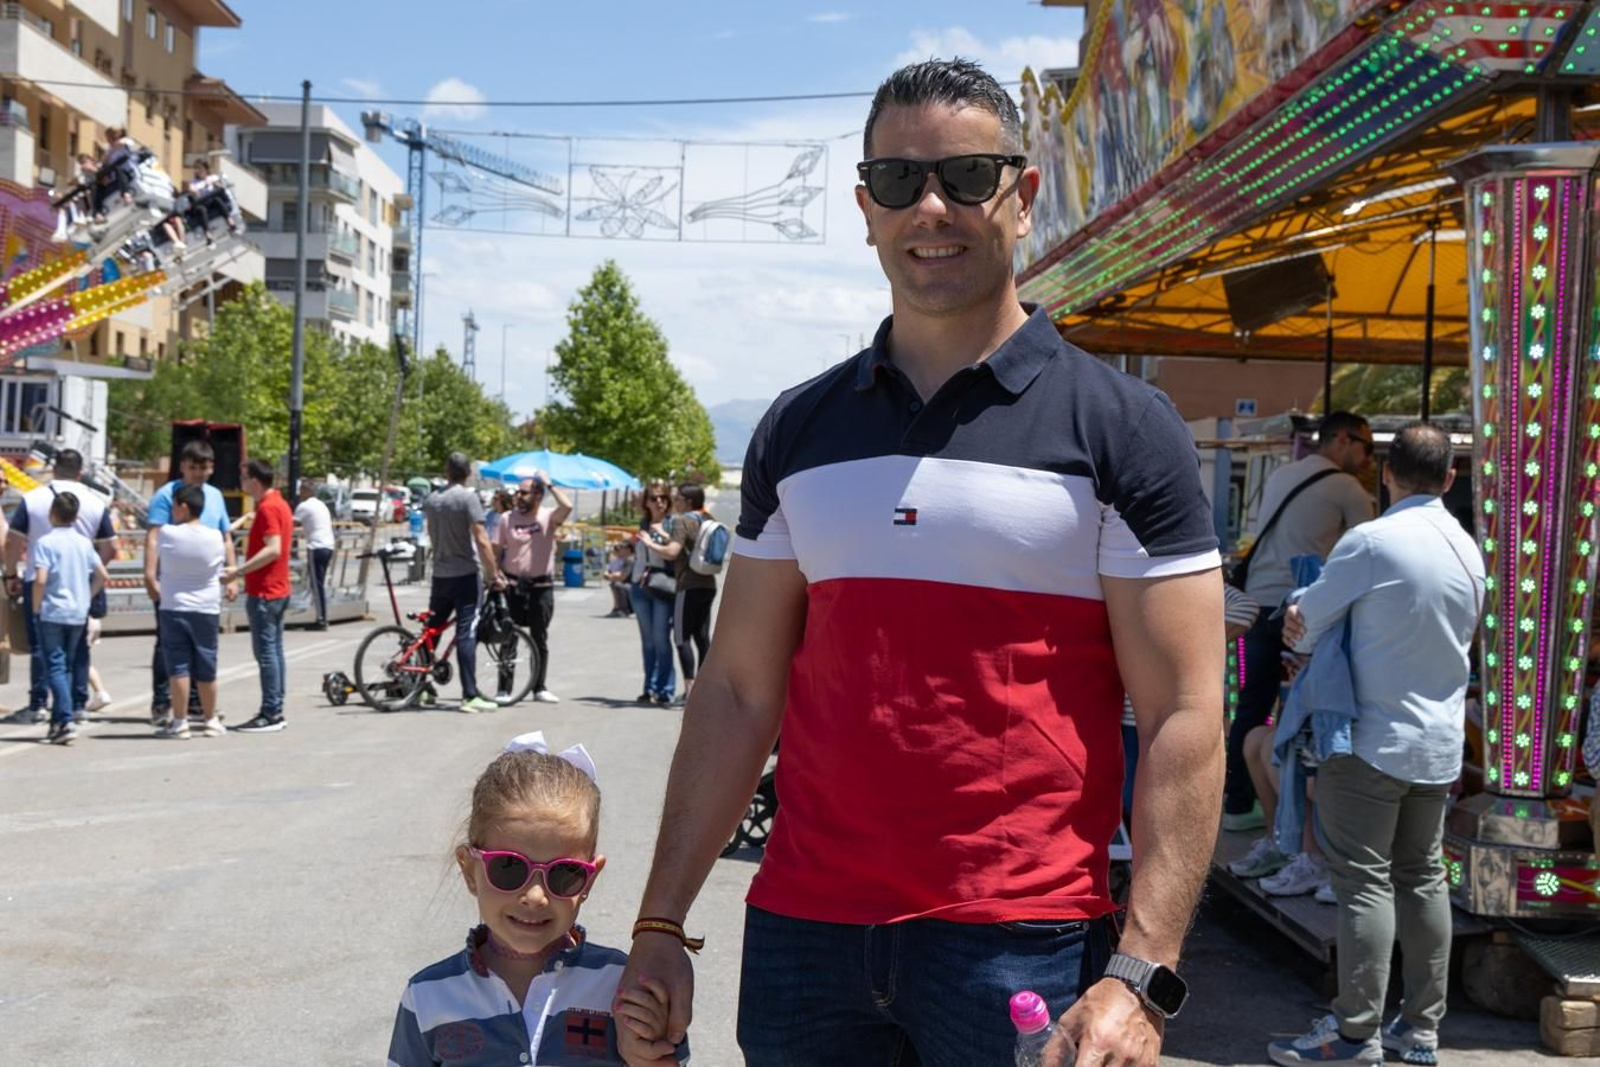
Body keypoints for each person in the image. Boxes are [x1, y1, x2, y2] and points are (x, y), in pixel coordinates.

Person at [617, 59, 1224, 1067]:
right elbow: (733, 688)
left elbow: (1184, 713)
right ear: (864, 208)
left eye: (965, 177)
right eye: (898, 182)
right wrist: (659, 923)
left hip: (1016, 939)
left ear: (1024, 196)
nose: (930, 207)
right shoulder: (798, 428)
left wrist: (1142, 970)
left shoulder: (1123, 428)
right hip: (802, 931)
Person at [1267, 423, 1483, 1067]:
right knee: (1422, 878)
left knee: (1364, 883)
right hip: (1438, 745)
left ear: (1386, 473)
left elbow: (1306, 629)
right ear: (1450, 478)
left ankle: (1355, 1033)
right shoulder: (1470, 550)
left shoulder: (1371, 540)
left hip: (1367, 739)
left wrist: (1304, 613)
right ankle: (1421, 1032)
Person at [386, 732, 683, 1065]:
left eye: (564, 874)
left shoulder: (621, 985)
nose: (535, 896)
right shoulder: (429, 996)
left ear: (590, 879)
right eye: (509, 867)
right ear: (469, 869)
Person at [1226, 411, 1375, 832]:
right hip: (1303, 611)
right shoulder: (1347, 488)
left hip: (1257, 602)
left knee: (1252, 708)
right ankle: (1303, 830)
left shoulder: (1282, 476)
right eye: (1366, 447)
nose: (1368, 459)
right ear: (1343, 440)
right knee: (1304, 716)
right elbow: (1370, 557)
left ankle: (1239, 804)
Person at [2, 448, 115, 725]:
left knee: (41, 645)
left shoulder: (32, 499)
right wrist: (90, 573)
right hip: (80, 582)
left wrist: (11, 574)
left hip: (39, 581)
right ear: (80, 472)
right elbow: (110, 548)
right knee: (79, 648)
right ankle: (78, 704)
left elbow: (13, 542)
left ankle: (39, 703)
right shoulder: (96, 502)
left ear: (54, 470)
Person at [144, 440, 237, 728]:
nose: (198, 473)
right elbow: (154, 537)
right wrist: (150, 574)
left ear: (211, 468)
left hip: (205, 584)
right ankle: (162, 701)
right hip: (172, 582)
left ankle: (197, 702)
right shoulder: (167, 495)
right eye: (193, 467)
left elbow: (225, 536)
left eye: (204, 468)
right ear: (183, 466)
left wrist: (233, 576)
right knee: (167, 645)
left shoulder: (215, 496)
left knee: (202, 647)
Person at [422, 452, 505, 713]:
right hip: (465, 574)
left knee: (431, 630)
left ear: (446, 472)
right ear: (468, 473)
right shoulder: (468, 498)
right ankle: (469, 694)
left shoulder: (432, 499)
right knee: (465, 633)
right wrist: (493, 573)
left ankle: (420, 686)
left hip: (440, 574)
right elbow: (481, 538)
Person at [31, 492, 108, 746]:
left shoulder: (45, 542)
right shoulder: (84, 542)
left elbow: (41, 579)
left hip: (53, 610)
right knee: (67, 665)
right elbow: (102, 574)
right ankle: (59, 720)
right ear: (76, 516)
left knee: (54, 664)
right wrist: (88, 595)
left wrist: (35, 605)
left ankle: (64, 719)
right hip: (78, 611)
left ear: (52, 513)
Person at [151, 485, 226, 740]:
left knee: (179, 666)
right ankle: (211, 719)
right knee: (207, 664)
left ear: (184, 507)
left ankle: (180, 721)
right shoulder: (215, 536)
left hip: (174, 605)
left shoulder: (168, 533)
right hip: (206, 606)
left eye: (174, 507)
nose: (171, 512)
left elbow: (157, 555)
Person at [224, 459, 292, 733]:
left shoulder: (268, 507)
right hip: (275, 588)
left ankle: (271, 712)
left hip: (265, 590)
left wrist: (238, 571)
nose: (241, 484)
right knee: (274, 651)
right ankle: (274, 708)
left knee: (266, 653)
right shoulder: (277, 504)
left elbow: (273, 548)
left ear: (254, 480)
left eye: (243, 479)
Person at [493, 473, 573, 704]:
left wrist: (549, 483)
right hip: (513, 586)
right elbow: (497, 550)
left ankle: (539, 687)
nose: (519, 496)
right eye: (518, 492)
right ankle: (504, 689)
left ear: (538, 495)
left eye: (525, 492)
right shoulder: (507, 518)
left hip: (541, 587)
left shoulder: (548, 517)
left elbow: (566, 505)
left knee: (539, 639)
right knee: (508, 637)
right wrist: (495, 575)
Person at [655, 484, 716, 703]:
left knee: (681, 637)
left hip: (687, 584)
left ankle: (691, 691)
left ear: (688, 501)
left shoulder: (682, 520)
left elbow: (672, 552)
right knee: (702, 637)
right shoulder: (708, 518)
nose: (675, 501)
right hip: (708, 583)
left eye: (678, 498)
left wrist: (649, 543)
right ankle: (706, 689)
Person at [628, 484, 676, 707]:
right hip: (640, 584)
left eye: (663, 498)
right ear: (647, 502)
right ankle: (649, 689)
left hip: (662, 585)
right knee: (647, 641)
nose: (659, 502)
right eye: (654, 498)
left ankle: (665, 689)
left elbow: (676, 554)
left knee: (661, 639)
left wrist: (654, 540)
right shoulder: (643, 524)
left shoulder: (672, 524)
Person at [294, 479, 335, 630]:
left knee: (316, 585)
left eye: (300, 491)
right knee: (319, 584)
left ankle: (321, 619)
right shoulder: (321, 504)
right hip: (328, 545)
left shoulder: (304, 506)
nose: (299, 494)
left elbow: (291, 523)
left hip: (316, 547)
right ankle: (321, 616)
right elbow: (311, 526)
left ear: (305, 491)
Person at [604, 542, 635, 618]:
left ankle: (622, 610)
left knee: (617, 585)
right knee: (615, 584)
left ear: (628, 550)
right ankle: (617, 608)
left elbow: (623, 576)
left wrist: (609, 576)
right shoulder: (627, 560)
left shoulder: (630, 560)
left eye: (622, 549)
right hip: (632, 585)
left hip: (633, 586)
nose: (620, 550)